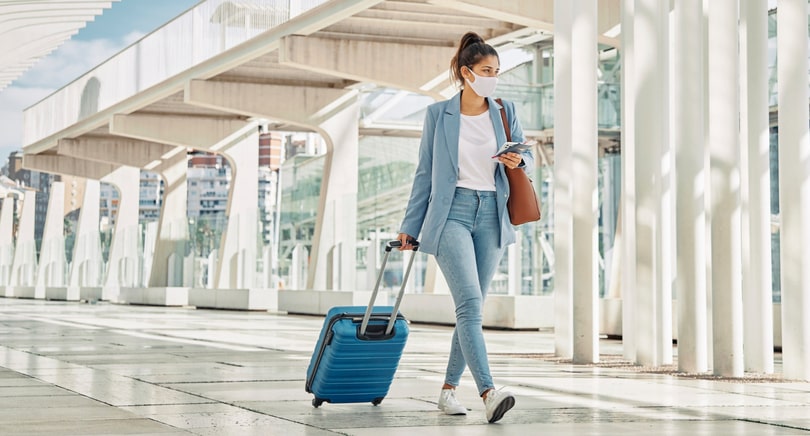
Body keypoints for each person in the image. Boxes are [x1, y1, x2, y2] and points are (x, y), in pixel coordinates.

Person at [396, 31, 533, 424]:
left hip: (491, 212)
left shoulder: (504, 111)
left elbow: (526, 157)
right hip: (451, 212)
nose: (493, 77)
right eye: (486, 70)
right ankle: (489, 392)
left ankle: (448, 391)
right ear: (465, 72)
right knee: (471, 304)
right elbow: (425, 173)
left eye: (497, 71)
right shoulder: (438, 115)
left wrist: (517, 162)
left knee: (469, 309)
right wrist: (410, 225)